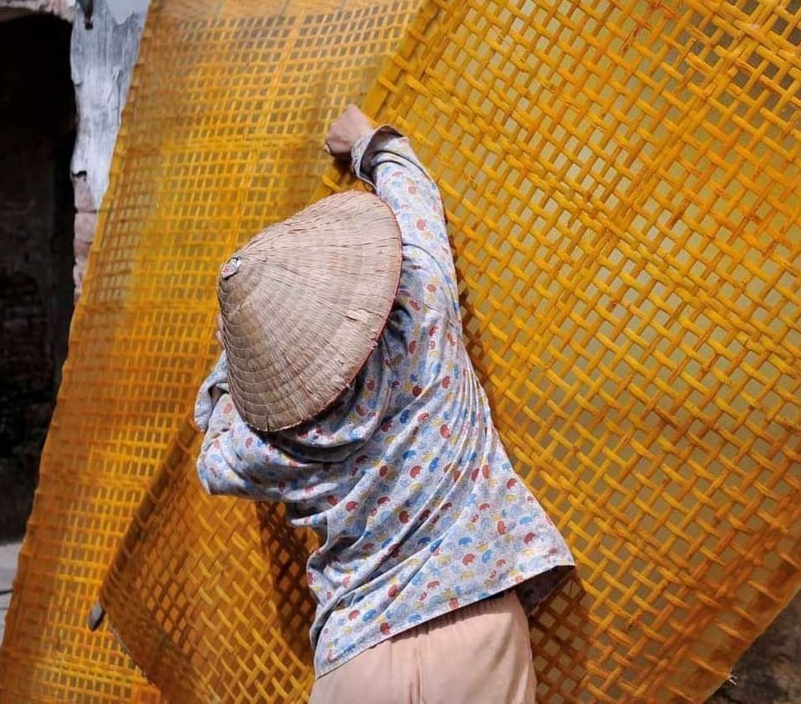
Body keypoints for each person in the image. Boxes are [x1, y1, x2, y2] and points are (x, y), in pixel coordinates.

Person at [193, 104, 574, 703]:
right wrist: (367, 140)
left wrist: (239, 351)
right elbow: (415, 198)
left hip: (358, 655)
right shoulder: (422, 320)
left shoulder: (261, 444)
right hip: (478, 624)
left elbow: (211, 453)